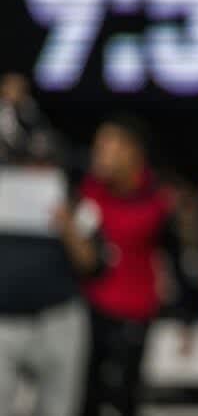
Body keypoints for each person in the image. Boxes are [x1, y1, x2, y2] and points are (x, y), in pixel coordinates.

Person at [80, 117, 189, 416]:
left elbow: (176, 259)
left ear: (133, 152)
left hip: (135, 310)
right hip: (90, 308)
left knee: (125, 394)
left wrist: (185, 318)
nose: (99, 154)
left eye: (108, 147)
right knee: (85, 393)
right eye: (98, 147)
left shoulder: (160, 199)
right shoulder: (86, 191)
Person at [0, 129, 100, 416]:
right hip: (4, 321)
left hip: (57, 319)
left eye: (46, 163)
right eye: (30, 162)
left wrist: (67, 226)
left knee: (59, 408)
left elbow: (91, 263)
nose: (37, 170)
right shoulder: (4, 198)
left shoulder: (78, 205)